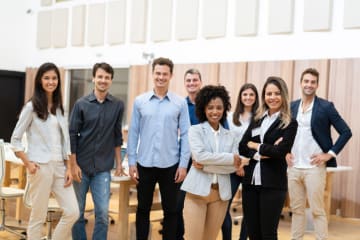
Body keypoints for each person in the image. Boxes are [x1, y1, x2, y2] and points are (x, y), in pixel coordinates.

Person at [10, 62, 79, 240]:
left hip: (60, 168)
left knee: (73, 212)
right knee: (38, 217)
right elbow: (15, 139)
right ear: (40, 81)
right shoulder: (31, 107)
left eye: (54, 78)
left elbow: (66, 141)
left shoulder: (59, 108)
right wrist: (28, 164)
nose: (51, 81)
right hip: (40, 167)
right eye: (47, 78)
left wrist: (69, 167)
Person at [127, 57, 191, 240]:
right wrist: (132, 161)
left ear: (170, 75)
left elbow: (186, 134)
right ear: (153, 74)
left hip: (170, 165)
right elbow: (133, 132)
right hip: (144, 164)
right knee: (142, 210)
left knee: (171, 211)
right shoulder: (140, 101)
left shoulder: (180, 103)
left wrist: (183, 164)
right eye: (158, 73)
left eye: (165, 74)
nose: (161, 77)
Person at [286, 68, 352, 240]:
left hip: (314, 168)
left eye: (312, 82)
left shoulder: (326, 106)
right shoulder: (291, 106)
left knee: (317, 210)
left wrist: (329, 154)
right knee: (297, 210)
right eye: (306, 81)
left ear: (317, 85)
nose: (309, 85)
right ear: (300, 83)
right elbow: (283, 133)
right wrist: (285, 152)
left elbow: (346, 132)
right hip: (293, 167)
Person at [70, 62, 125, 240]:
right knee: (77, 212)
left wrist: (119, 164)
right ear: (94, 78)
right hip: (81, 166)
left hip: (102, 168)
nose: (103, 80)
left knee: (102, 214)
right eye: (100, 76)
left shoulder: (117, 105)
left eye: (107, 77)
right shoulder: (81, 104)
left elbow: (117, 136)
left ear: (111, 80)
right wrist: (73, 164)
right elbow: (72, 135)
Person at [181, 85, 243, 240]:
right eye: (210, 108)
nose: (215, 112)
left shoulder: (231, 136)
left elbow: (234, 167)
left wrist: (206, 165)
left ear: (224, 109)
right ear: (204, 109)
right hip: (196, 194)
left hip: (220, 196)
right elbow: (200, 156)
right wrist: (228, 159)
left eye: (219, 108)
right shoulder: (195, 131)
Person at [239, 76, 298, 240]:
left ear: (283, 95)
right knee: (253, 233)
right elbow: (243, 145)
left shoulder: (289, 123)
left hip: (273, 184)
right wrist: (264, 152)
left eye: (277, 93)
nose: (272, 97)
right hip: (250, 182)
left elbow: (281, 152)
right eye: (268, 93)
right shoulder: (258, 119)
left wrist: (256, 146)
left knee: (268, 234)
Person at [222, 83, 259, 240]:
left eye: (251, 95)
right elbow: (227, 142)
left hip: (252, 167)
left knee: (249, 210)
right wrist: (237, 163)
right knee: (223, 207)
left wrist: (245, 162)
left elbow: (258, 143)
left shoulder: (260, 118)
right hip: (232, 166)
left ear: (256, 97)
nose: (248, 97)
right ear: (240, 97)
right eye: (245, 94)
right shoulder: (230, 117)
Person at [176, 68, 202, 240]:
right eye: (188, 80)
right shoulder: (180, 105)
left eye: (195, 80)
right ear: (185, 83)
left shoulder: (207, 105)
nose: (191, 83)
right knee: (178, 204)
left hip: (201, 162)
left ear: (200, 82)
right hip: (182, 161)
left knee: (198, 205)